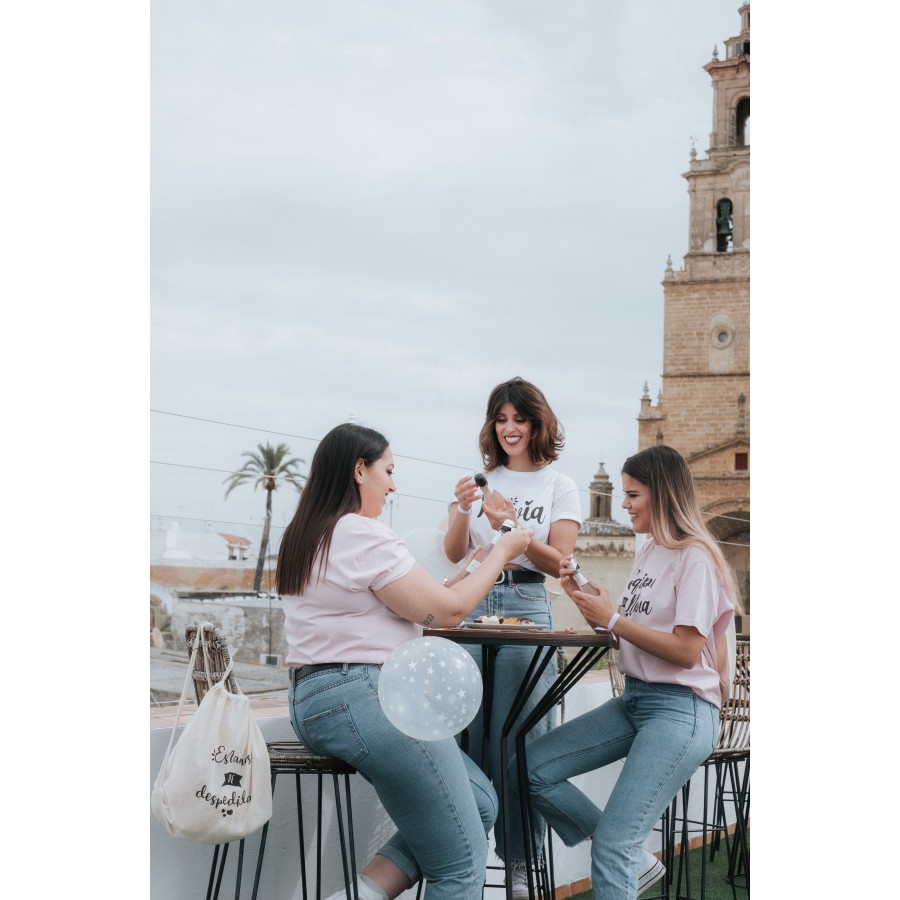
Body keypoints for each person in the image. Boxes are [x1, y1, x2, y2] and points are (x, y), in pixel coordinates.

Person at [276, 422, 533, 900]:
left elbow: (426, 603)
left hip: (315, 701)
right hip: (365, 697)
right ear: (359, 470)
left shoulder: (308, 534)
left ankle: (362, 895)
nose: (393, 484)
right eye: (388, 471)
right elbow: (449, 613)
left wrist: (475, 566)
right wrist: (502, 551)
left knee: (478, 803)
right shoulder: (362, 533)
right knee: (461, 864)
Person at [512, 444, 740, 900]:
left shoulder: (695, 557)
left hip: (681, 711)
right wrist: (603, 615)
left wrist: (615, 621)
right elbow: (637, 631)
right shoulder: (650, 551)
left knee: (614, 845)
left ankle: (624, 854)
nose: (625, 504)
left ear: (663, 494)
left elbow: (686, 649)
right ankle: (634, 860)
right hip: (636, 699)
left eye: (634, 494)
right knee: (531, 768)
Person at [442, 376, 582, 898]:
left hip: (527, 602)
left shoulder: (558, 485)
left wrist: (513, 524)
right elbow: (456, 553)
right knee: (469, 733)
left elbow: (560, 563)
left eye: (518, 419)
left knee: (521, 735)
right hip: (474, 602)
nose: (508, 429)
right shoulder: (480, 481)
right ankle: (467, 855)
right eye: (500, 419)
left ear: (537, 422)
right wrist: (463, 509)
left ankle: (521, 863)